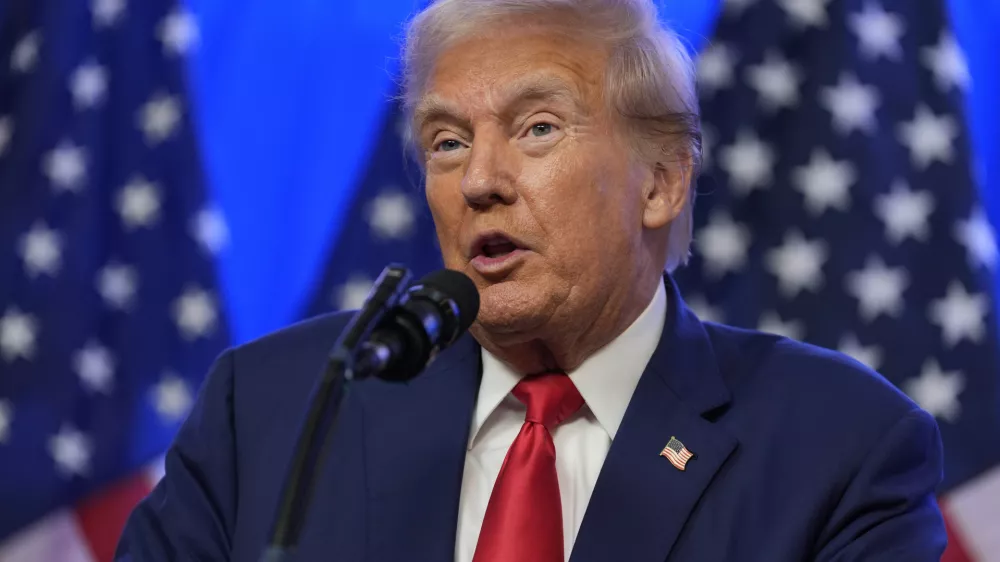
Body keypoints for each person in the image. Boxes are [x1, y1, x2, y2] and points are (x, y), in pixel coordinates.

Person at [115, 0, 947, 560]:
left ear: (661, 181)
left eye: (537, 128)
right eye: (445, 142)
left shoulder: (841, 448)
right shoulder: (275, 409)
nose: (479, 180)